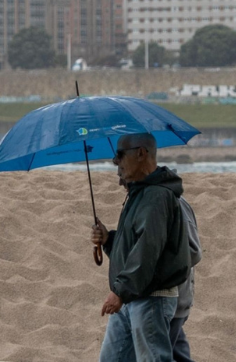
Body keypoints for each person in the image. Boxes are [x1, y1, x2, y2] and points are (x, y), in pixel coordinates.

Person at [91, 133, 191, 361]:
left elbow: (147, 251)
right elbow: (135, 246)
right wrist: (108, 239)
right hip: (131, 295)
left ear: (141, 153)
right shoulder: (141, 192)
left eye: (120, 155)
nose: (116, 162)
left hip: (151, 298)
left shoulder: (157, 195)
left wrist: (119, 292)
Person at [172, 193, 202, 362]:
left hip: (172, 301)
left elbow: (194, 252)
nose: (120, 181)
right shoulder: (140, 199)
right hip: (167, 302)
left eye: (123, 171)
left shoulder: (175, 204)